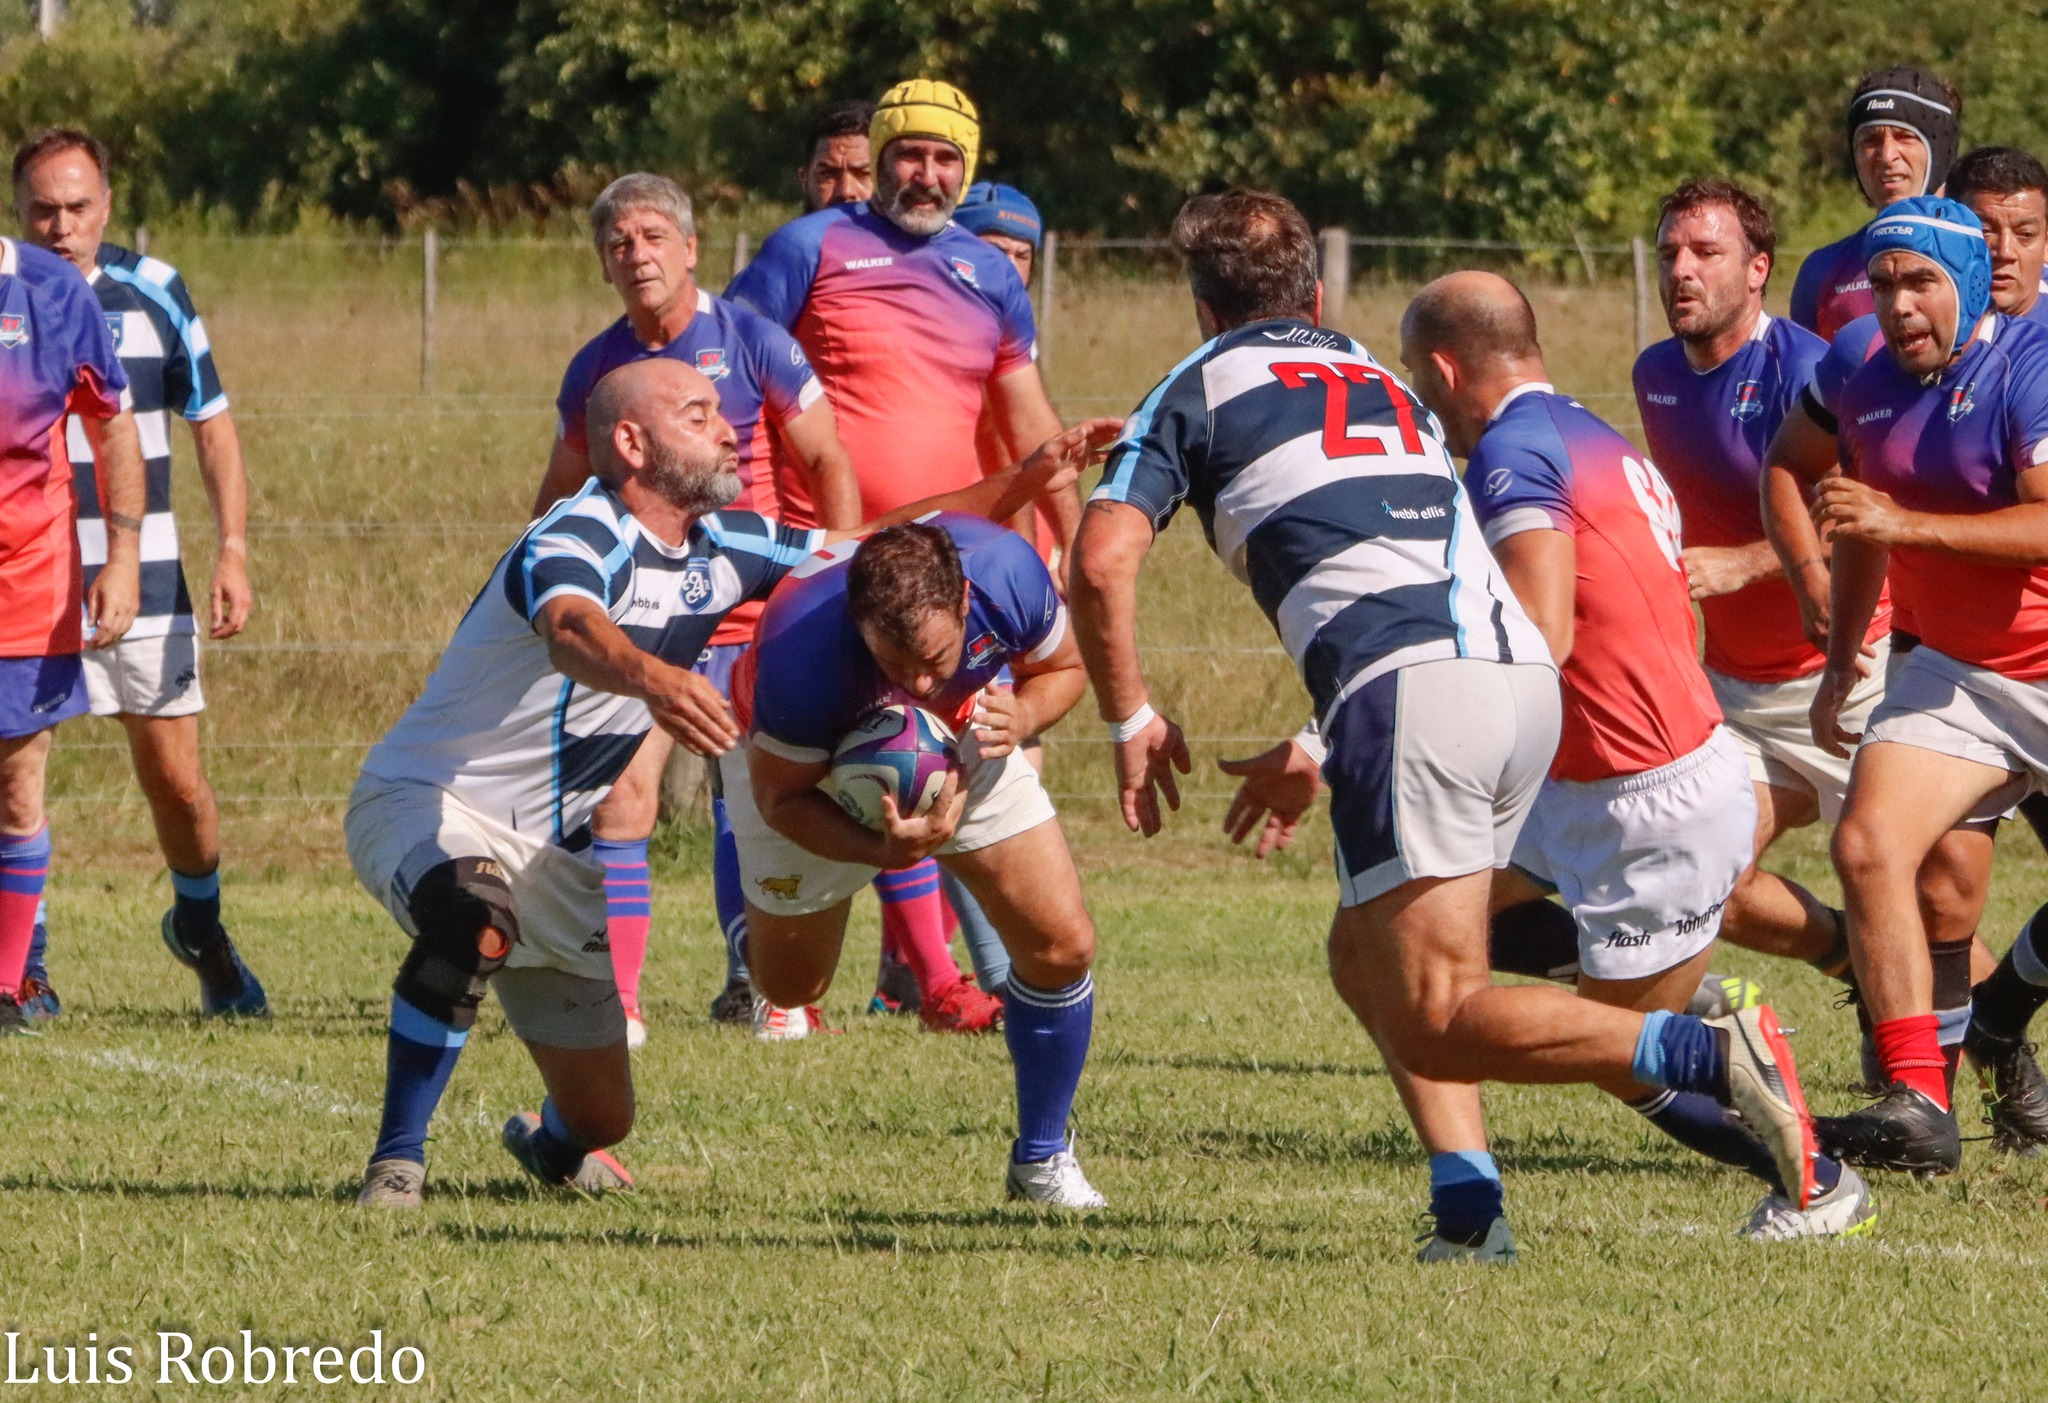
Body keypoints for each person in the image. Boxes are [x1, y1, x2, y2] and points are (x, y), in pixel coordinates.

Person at [1067, 189, 1820, 1263]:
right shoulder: (1389, 380)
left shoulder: (1197, 382)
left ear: (1199, 309)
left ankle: (1699, 1050)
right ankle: (1468, 1212)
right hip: (1517, 687)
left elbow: (1098, 558)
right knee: (1362, 956)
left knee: (1431, 1010)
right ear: (1317, 298)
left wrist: (1131, 713)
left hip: (1407, 694)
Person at [351, 356, 1109, 1208]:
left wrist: (1023, 479)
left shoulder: (728, 542)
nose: (728, 427)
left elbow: (877, 548)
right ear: (632, 443)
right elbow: (571, 627)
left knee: (604, 1116)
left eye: (721, 410)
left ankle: (556, 1144)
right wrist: (655, 677)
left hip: (553, 857)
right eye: (698, 412)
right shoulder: (577, 533)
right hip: (431, 799)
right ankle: (395, 1165)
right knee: (474, 915)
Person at [1425, 272, 1868, 1240]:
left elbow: (1539, 634)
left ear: (1443, 367)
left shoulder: (1508, 455)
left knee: (1620, 1056)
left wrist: (1427, 717)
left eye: (1424, 385)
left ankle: (1815, 1175)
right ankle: (1676, 1005)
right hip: (1592, 779)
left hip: (1640, 799)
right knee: (1440, 921)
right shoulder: (1588, 431)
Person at [730, 79, 1074, 1031]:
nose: (927, 173)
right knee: (786, 796)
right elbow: (729, 376)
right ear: (878, 157)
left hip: (937, 588)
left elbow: (1032, 430)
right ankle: (777, 971)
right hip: (823, 591)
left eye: (946, 157)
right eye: (909, 154)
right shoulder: (809, 248)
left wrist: (1080, 547)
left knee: (932, 775)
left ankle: (945, 975)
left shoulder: (990, 276)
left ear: (968, 168)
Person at [530, 173, 861, 1046]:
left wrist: (831, 589)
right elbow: (560, 495)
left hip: (751, 613)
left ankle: (762, 986)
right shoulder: (596, 370)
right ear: (604, 263)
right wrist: (546, 596)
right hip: (645, 616)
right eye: (617, 243)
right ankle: (621, 1002)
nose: (636, 255)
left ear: (689, 247)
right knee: (624, 803)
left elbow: (829, 463)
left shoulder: (756, 340)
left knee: (749, 803)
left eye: (650, 237)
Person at [1761, 165, 2048, 1151]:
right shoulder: (1855, 367)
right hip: (1966, 672)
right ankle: (1917, 1102)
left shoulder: (2030, 359)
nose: (1896, 303)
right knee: (1869, 843)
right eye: (1882, 283)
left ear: (1966, 283)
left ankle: (1999, 1024)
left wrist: (1900, 521)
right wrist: (1841, 656)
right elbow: (1803, 477)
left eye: (1919, 281)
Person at [722, 512, 1112, 1208]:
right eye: (895, 666)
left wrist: (1020, 719)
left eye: (935, 659)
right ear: (858, 623)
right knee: (791, 987)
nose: (921, 684)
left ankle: (1042, 1156)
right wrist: (880, 849)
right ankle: (758, 921)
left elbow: (1063, 666)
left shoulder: (1006, 570)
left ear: (966, 600)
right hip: (804, 769)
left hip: (969, 745)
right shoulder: (797, 646)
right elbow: (781, 798)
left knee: (1062, 946)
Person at [11, 128, 266, 1021]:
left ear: (107, 205)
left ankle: (202, 929)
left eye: (77, 206)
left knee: (177, 783)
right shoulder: (8, 298)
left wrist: (231, 546)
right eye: (43, 207)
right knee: (18, 775)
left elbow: (213, 425)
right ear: (19, 211)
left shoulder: (155, 292)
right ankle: (25, 970)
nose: (60, 224)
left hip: (146, 578)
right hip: (29, 583)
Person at [1633, 179, 1868, 980]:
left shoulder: (1811, 370)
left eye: (1706, 252)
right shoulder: (1654, 373)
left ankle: (2001, 1052)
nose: (1682, 271)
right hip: (1735, 692)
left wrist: (1746, 562)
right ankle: (1860, 966)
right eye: (1669, 254)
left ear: (1759, 267)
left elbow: (1861, 516)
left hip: (1850, 675)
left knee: (1917, 898)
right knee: (1701, 882)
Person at [0, 222, 144, 1031]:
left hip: (25, 578)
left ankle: (9, 981)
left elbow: (110, 422)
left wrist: (121, 556)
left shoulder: (54, 293)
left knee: (18, 783)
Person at [1789, 66, 1960, 341]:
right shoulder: (1821, 272)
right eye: (1871, 140)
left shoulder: (1995, 256)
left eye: (1905, 137)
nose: (1887, 155)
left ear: (1940, 151)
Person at [797, 100, 875, 213]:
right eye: (828, 174)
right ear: (804, 180)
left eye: (863, 174)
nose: (846, 191)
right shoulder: (789, 231)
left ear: (888, 179)